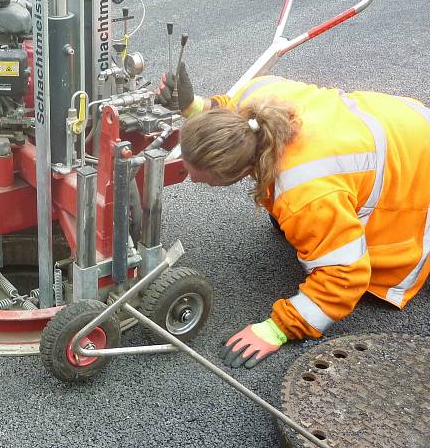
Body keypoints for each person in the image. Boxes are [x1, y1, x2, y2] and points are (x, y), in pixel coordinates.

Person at [159, 65, 430, 368]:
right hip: (401, 121)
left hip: (417, 163)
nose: (193, 181)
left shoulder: (304, 192)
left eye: (203, 179)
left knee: (358, 248)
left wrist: (278, 327)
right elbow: (223, 111)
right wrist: (194, 106)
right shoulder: (254, 100)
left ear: (239, 172)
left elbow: (346, 275)